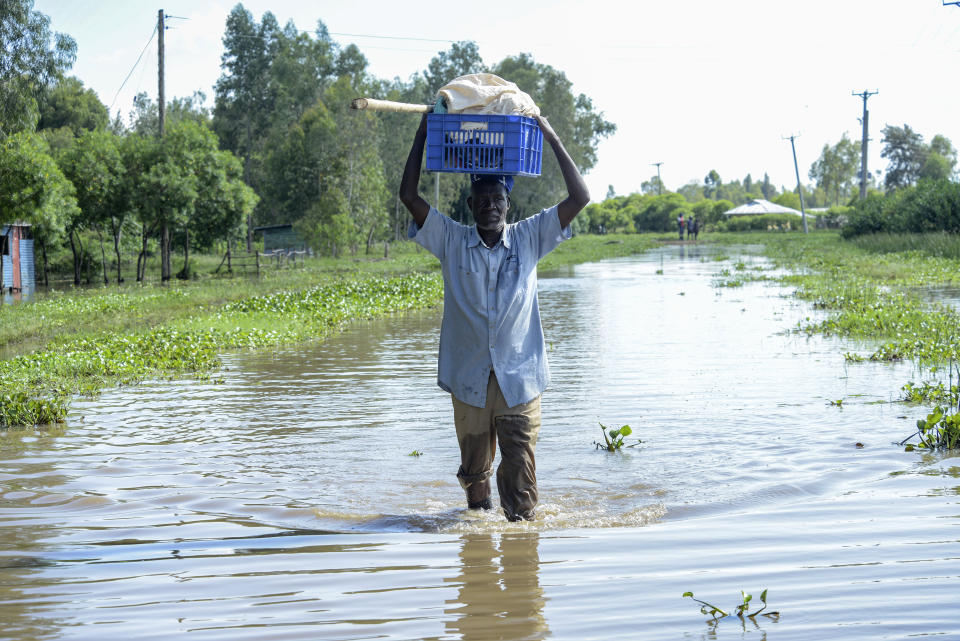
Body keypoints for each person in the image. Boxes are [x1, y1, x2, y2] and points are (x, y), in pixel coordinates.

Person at [399, 111, 589, 522]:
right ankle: (478, 533)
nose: (490, 207)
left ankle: (522, 548)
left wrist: (552, 136)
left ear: (508, 204)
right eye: (482, 201)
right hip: (469, 380)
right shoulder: (451, 239)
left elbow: (580, 199)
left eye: (497, 200)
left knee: (520, 478)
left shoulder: (529, 237)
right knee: (475, 477)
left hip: (519, 378)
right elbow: (409, 197)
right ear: (471, 205)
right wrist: (421, 134)